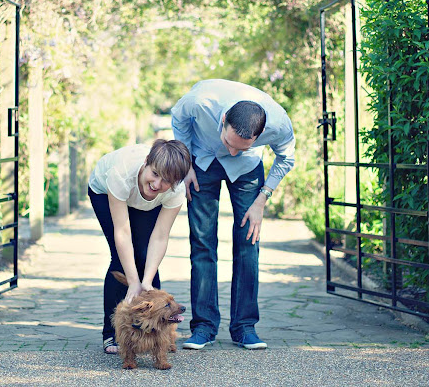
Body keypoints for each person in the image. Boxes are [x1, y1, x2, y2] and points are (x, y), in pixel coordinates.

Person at [171, 79, 295, 350]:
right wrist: (185, 164)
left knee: (248, 242)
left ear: (260, 135)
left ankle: (244, 327)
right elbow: (178, 119)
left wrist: (263, 198)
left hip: (248, 171)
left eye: (242, 145)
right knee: (202, 243)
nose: (232, 151)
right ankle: (203, 326)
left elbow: (287, 157)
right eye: (229, 141)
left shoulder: (278, 122)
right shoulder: (199, 101)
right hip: (201, 161)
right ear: (224, 119)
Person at [88, 139, 191, 354]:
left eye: (166, 181)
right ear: (147, 162)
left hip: (148, 202)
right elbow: (123, 232)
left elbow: (160, 237)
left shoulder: (174, 191)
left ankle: (160, 334)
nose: (157, 184)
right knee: (121, 260)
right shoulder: (121, 172)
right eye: (154, 174)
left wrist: (145, 281)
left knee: (145, 261)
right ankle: (112, 334)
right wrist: (133, 282)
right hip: (104, 192)